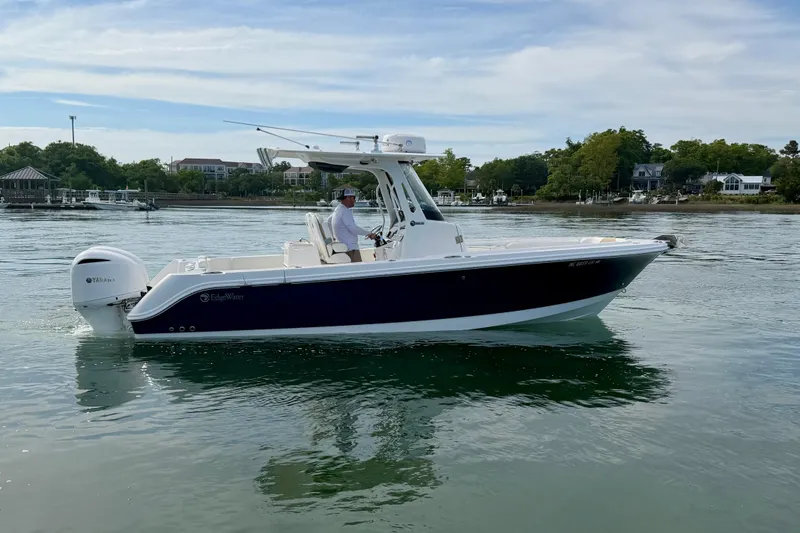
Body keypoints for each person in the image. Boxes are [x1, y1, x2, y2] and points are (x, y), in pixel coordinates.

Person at [328, 189, 376, 262]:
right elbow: (353, 228)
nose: (355, 200)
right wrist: (369, 233)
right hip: (351, 249)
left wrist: (336, 238)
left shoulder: (338, 210)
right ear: (348, 198)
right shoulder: (345, 211)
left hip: (344, 247)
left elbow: (328, 222)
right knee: (359, 268)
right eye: (354, 198)